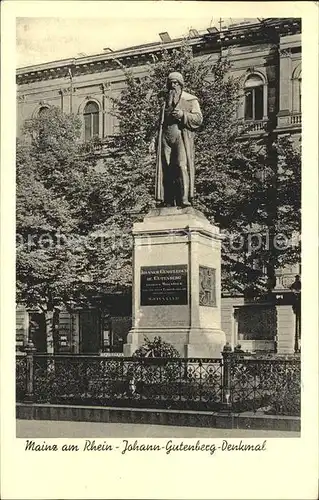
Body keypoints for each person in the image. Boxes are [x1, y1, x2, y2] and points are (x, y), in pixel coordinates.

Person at [155, 72, 203, 208]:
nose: (173, 86)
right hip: (165, 136)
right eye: (170, 83)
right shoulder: (165, 102)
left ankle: (184, 198)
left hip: (181, 136)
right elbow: (160, 123)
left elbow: (198, 119)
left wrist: (183, 115)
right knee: (167, 167)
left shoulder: (190, 99)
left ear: (181, 84)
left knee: (182, 165)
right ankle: (168, 199)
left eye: (176, 83)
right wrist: (154, 139)